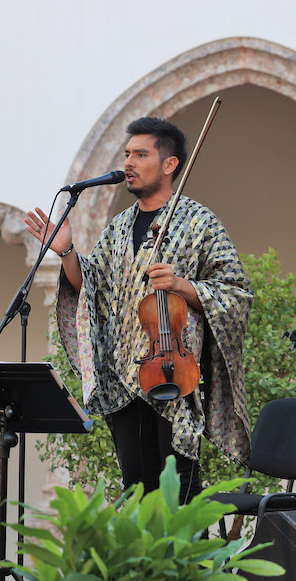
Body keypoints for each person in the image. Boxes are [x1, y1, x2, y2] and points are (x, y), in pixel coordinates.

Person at [25, 117, 253, 507]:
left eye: (140, 154)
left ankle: (186, 568)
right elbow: (91, 289)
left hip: (174, 376)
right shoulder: (118, 228)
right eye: (127, 154)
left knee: (177, 495)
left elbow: (237, 293)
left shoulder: (200, 223)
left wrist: (182, 285)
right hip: (123, 378)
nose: (128, 162)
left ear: (169, 165)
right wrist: (65, 252)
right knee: (136, 493)